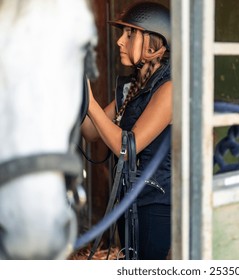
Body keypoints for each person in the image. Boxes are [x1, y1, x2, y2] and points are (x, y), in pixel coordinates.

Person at [81, 2, 172, 260]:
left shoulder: (169, 89)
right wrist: (74, 95)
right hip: (128, 202)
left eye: (130, 34)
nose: (120, 41)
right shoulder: (131, 87)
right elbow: (90, 132)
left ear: (155, 43)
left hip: (156, 206)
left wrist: (90, 101)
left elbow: (126, 147)